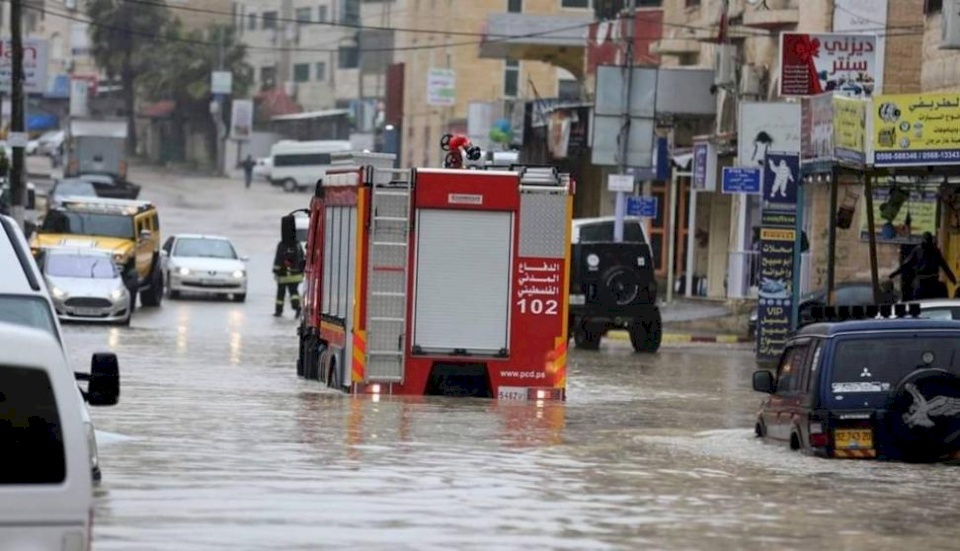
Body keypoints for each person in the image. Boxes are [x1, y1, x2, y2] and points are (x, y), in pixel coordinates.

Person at [889, 232, 956, 300]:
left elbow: (905, 265)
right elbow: (945, 266)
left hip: (929, 282)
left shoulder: (931, 251)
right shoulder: (923, 250)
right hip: (924, 282)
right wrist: (893, 274)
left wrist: (953, 279)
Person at [273, 236, 304, 317]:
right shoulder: (298, 244)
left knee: (280, 294)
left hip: (283, 275)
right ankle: (297, 308)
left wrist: (276, 270)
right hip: (295, 275)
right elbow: (302, 257)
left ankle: (278, 311)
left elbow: (278, 258)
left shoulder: (281, 245)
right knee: (294, 292)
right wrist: (301, 271)